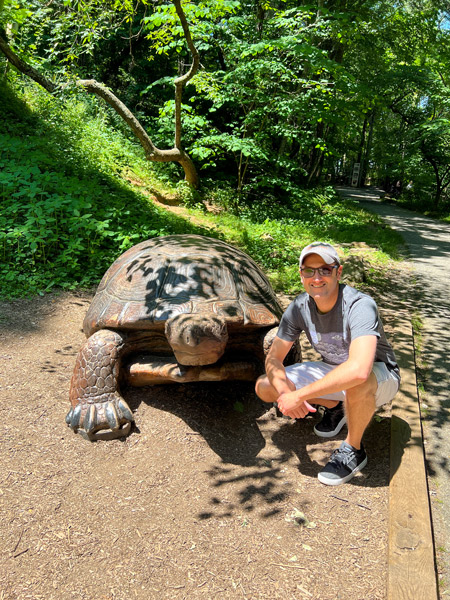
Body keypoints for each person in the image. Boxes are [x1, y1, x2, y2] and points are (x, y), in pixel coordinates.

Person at [255, 241, 400, 486]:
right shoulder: (299, 307)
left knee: (357, 381)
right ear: (301, 275)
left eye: (325, 269)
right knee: (265, 385)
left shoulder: (359, 305)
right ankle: (335, 406)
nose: (317, 277)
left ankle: (353, 448)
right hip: (335, 370)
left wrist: (300, 395)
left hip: (380, 376)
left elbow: (359, 369)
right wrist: (285, 391)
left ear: (338, 272)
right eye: (309, 271)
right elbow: (273, 358)